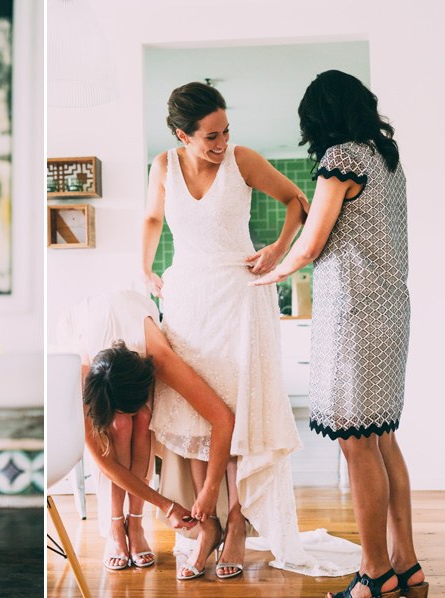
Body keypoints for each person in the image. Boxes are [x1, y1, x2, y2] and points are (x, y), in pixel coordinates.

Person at [143, 81, 357, 580]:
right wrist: (145, 268)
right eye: (210, 137)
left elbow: (296, 201)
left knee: (242, 415)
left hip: (241, 294)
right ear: (183, 135)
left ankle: (238, 522)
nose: (220, 144)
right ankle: (207, 523)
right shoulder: (162, 167)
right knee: (195, 415)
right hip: (188, 299)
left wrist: (279, 248)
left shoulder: (243, 159)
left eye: (225, 132)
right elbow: (153, 218)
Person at [252, 70, 427, 598]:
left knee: (356, 445)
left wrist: (267, 271)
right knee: (381, 438)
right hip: (390, 309)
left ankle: (374, 574)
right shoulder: (386, 159)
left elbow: (309, 246)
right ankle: (407, 565)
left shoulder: (342, 159)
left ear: (321, 116)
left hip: (353, 314)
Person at [57, 290, 235, 572]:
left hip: (132, 315)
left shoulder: (160, 359)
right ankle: (117, 527)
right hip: (90, 327)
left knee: (140, 419)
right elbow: (105, 463)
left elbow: (223, 419)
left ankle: (136, 524)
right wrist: (167, 505)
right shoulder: (83, 376)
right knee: (121, 425)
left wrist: (210, 489)